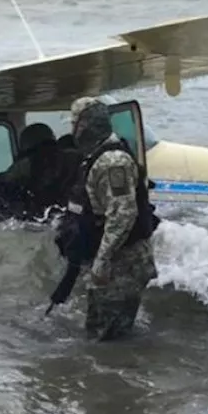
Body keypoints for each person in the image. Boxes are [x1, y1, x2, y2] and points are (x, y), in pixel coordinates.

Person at [59, 96, 158, 340]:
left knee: (105, 338)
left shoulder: (113, 162)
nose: (73, 130)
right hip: (117, 261)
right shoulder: (96, 157)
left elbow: (123, 214)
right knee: (106, 333)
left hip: (122, 263)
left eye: (75, 123)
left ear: (85, 126)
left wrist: (102, 261)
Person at [0, 122, 80, 221]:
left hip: (39, 214)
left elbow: (3, 182)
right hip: (69, 211)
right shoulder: (73, 157)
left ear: (25, 143)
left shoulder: (27, 163)